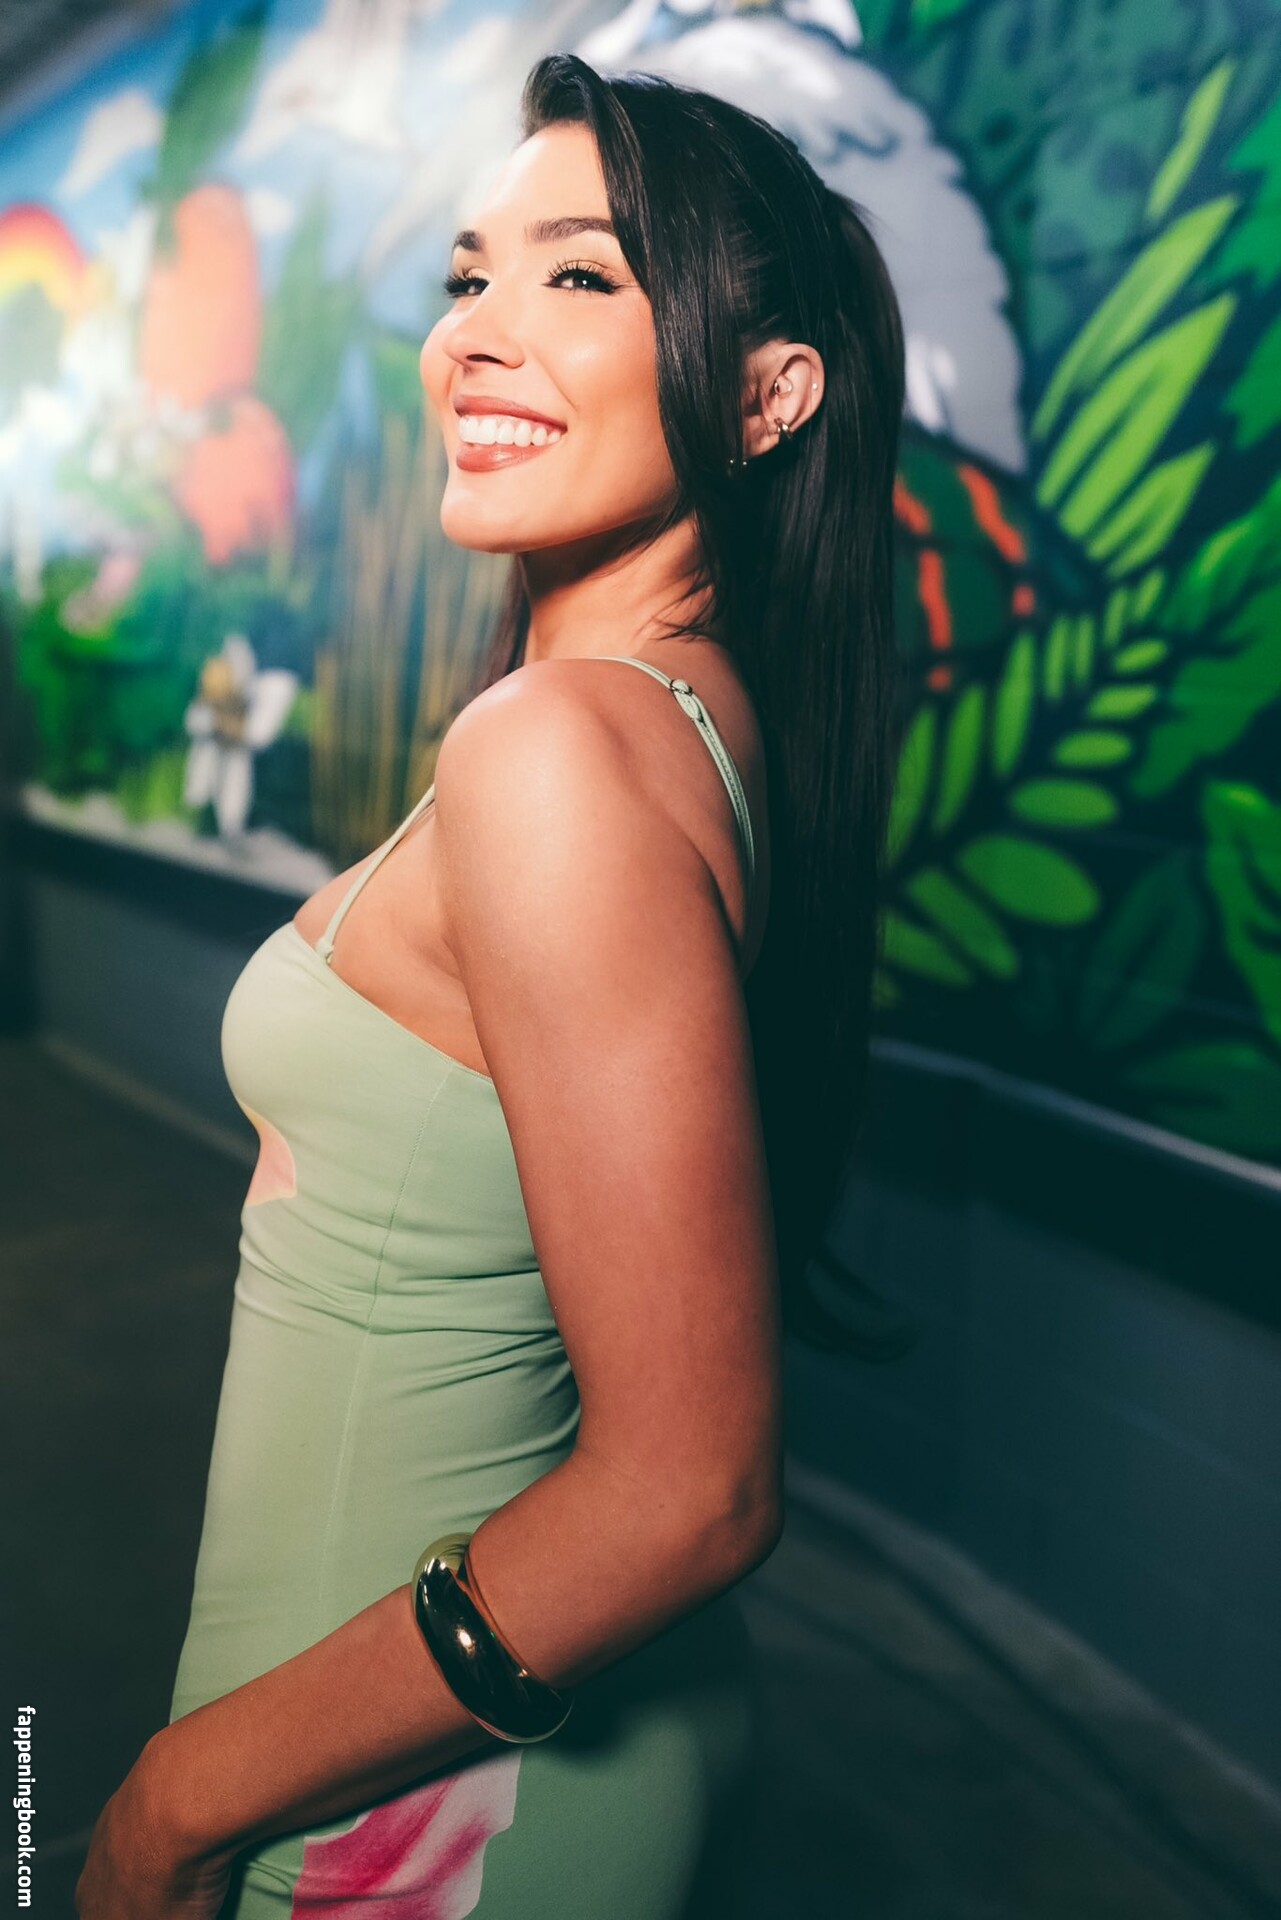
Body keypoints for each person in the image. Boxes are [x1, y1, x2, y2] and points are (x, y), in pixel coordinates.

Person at [75, 48, 904, 1920]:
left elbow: (691, 1487)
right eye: (469, 277)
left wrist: (174, 1806)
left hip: (390, 1817)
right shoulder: (695, 720)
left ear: (768, 395)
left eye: (582, 273)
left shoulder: (557, 752)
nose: (475, 338)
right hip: (482, 1729)